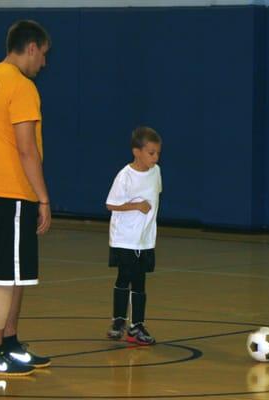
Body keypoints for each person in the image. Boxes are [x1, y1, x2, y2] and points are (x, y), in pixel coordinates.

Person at [0, 20, 52, 376]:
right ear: (31, 47)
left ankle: (9, 343)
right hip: (9, 191)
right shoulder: (20, 86)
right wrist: (43, 198)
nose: (44, 64)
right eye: (44, 55)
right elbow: (26, 149)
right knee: (2, 276)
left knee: (16, 274)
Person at [105, 126, 162, 345]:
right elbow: (111, 204)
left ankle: (136, 326)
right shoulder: (125, 176)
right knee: (124, 278)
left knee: (140, 281)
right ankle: (119, 320)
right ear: (136, 152)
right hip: (125, 239)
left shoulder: (156, 172)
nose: (155, 157)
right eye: (151, 153)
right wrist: (136, 206)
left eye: (157, 153)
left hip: (145, 240)